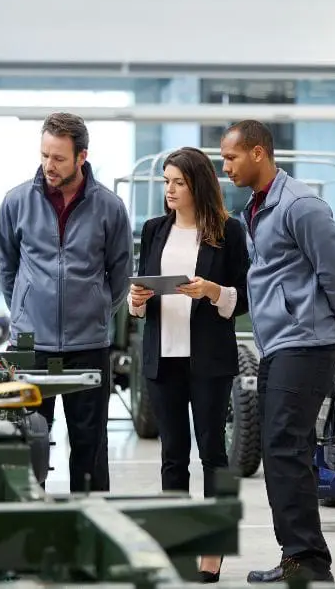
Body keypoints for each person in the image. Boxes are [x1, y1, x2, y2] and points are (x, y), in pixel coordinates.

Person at [220, 119, 335, 584]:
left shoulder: (302, 205)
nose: (226, 166)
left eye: (232, 157)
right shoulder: (256, 209)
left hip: (308, 342)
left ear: (259, 153)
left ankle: (308, 561)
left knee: (284, 445)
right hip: (280, 343)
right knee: (282, 450)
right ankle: (299, 555)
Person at [0, 111, 133, 493]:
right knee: (26, 444)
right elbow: (7, 268)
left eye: (58, 158)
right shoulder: (17, 201)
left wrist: (97, 310)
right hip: (29, 348)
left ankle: (90, 532)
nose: (48, 166)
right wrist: (23, 312)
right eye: (44, 155)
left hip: (88, 347)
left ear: (81, 157)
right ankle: (28, 534)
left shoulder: (109, 207)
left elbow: (120, 274)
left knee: (90, 448)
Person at [128, 146, 249, 583]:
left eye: (178, 182)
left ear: (198, 184)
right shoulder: (154, 229)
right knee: (172, 457)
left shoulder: (228, 232)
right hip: (163, 357)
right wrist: (136, 300)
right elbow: (139, 294)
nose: (170, 190)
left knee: (214, 455)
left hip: (209, 361)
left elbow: (243, 299)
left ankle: (213, 550)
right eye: (166, 182)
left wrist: (214, 292)